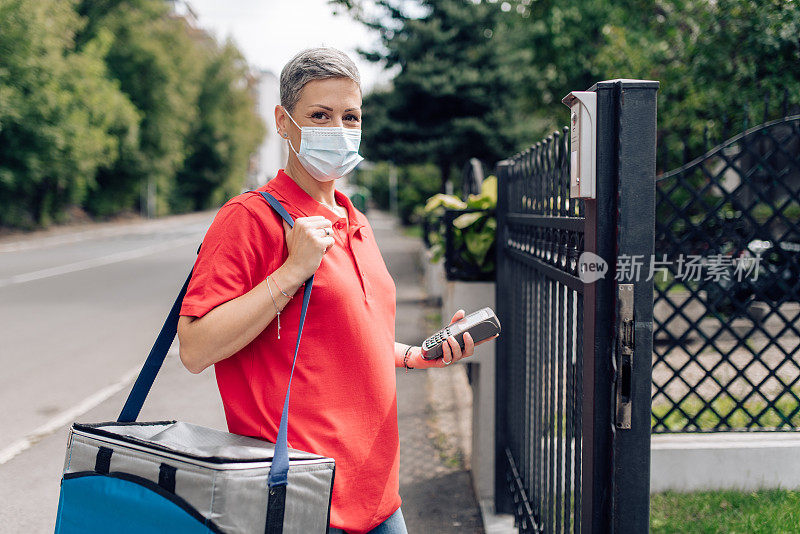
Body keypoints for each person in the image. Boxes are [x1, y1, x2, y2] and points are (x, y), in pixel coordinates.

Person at [176, 47, 497, 534]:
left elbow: (343, 339)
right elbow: (195, 348)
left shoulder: (354, 218)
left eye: (351, 116)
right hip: (302, 500)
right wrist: (290, 273)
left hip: (379, 496)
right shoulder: (250, 218)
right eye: (320, 116)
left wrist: (414, 355)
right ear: (284, 122)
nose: (339, 129)